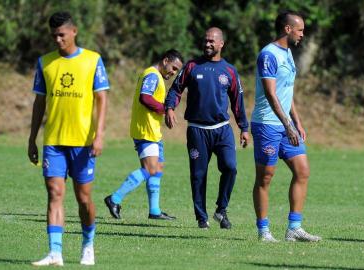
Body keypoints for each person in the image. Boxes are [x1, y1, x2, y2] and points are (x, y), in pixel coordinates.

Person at [28, 11, 110, 266]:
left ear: (74, 32)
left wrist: (99, 134)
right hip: (53, 141)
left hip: (83, 143)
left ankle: (88, 244)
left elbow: (102, 98)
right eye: (54, 36)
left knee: (83, 199)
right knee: (54, 193)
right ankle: (55, 252)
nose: (58, 40)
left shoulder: (92, 60)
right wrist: (32, 138)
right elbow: (39, 102)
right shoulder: (45, 63)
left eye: (62, 35)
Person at [164, 27, 249, 229]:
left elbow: (238, 100)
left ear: (221, 44)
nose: (208, 44)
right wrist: (169, 108)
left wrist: (244, 127)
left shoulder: (229, 70)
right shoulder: (192, 66)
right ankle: (202, 218)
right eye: (205, 40)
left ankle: (221, 209)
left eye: (212, 41)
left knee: (230, 167)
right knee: (198, 175)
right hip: (196, 130)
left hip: (222, 129)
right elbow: (176, 89)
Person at [251, 10, 321, 242]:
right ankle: (263, 231)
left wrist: (297, 122)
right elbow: (271, 95)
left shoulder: (289, 54)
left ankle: (294, 228)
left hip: (285, 124)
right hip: (267, 124)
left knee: (302, 171)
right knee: (265, 178)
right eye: (300, 30)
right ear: (287, 29)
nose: (303, 34)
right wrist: (287, 125)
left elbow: (286, 92)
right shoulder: (268, 55)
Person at [104, 49, 183, 220]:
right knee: (150, 168)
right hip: (145, 130)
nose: (174, 73)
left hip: (153, 130)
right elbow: (145, 98)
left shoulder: (156, 76)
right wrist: (166, 109)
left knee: (157, 168)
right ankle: (114, 198)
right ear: (165, 60)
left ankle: (154, 210)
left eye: (177, 71)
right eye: (174, 68)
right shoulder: (153, 75)